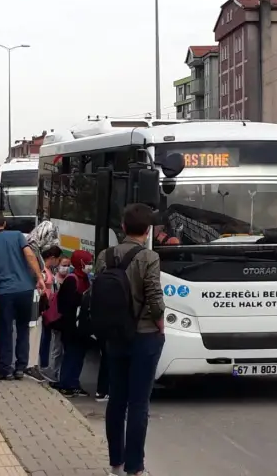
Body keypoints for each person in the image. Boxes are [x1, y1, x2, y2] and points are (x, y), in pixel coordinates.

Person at [95, 203, 165, 476]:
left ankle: (116, 463)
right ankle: (135, 468)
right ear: (147, 231)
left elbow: (98, 289)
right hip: (144, 335)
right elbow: (154, 297)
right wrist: (160, 325)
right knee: (139, 403)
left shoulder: (105, 255)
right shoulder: (149, 257)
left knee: (117, 400)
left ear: (123, 227)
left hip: (114, 335)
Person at [0, 212, 46, 381]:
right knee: (23, 327)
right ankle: (20, 368)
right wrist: (39, 277)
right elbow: (30, 255)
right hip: (26, 290)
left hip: (6, 293)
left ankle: (5, 369)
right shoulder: (18, 236)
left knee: (6, 330)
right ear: (5, 223)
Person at [52, 249, 94, 397]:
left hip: (81, 326)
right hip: (71, 326)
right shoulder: (72, 280)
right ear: (80, 263)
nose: (90, 266)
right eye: (88, 263)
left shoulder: (85, 279)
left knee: (79, 356)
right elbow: (65, 305)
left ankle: (74, 383)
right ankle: (65, 384)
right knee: (71, 355)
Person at [23, 221, 61, 382]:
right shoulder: (32, 253)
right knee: (33, 332)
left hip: (36, 301)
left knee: (35, 333)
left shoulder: (34, 251)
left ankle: (32, 364)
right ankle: (29, 366)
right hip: (33, 300)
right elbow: (35, 277)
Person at [41, 255, 72, 382]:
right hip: (56, 318)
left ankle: (58, 372)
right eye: (64, 265)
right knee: (57, 347)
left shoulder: (71, 279)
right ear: (58, 265)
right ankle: (52, 372)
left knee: (64, 347)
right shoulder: (54, 280)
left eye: (68, 265)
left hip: (66, 319)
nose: (66, 268)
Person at [33, 245, 62, 382]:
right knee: (44, 338)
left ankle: (42, 364)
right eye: (58, 260)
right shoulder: (43, 269)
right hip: (43, 309)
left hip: (46, 308)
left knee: (45, 337)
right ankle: (43, 365)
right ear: (52, 258)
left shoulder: (46, 268)